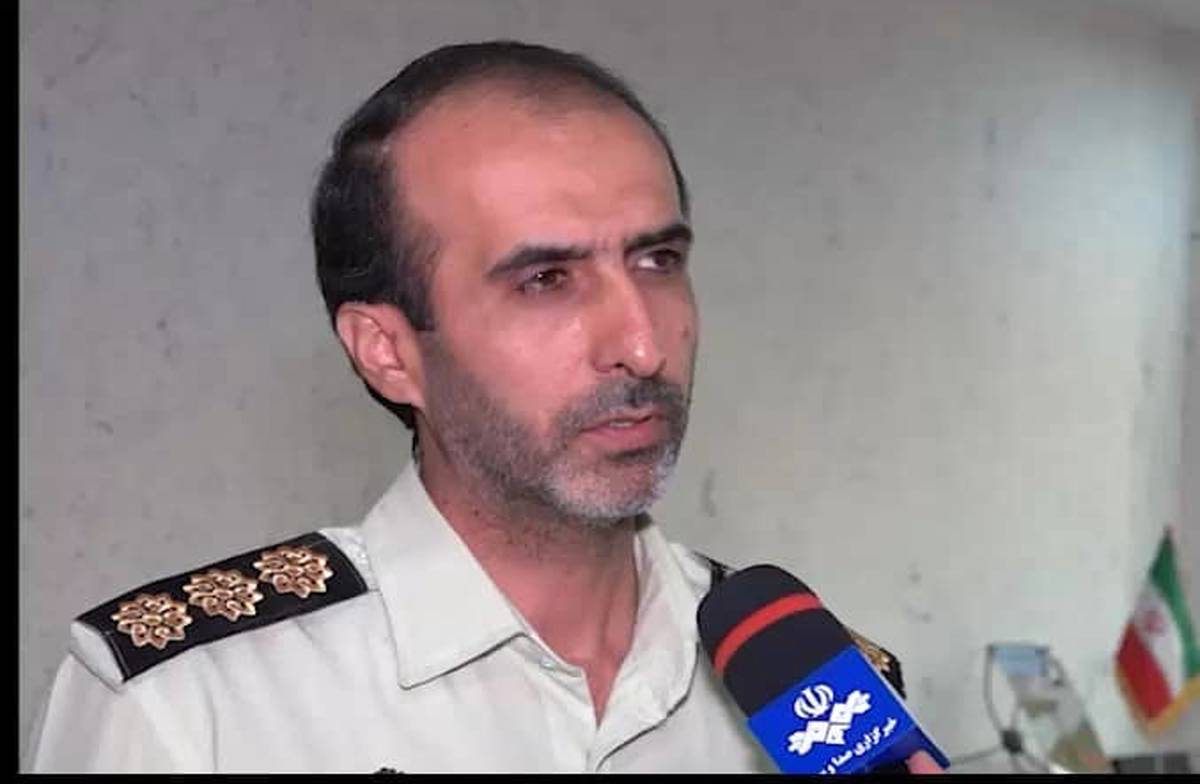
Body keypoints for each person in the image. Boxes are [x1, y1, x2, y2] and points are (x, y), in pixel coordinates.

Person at [24, 41, 941, 773]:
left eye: (657, 261)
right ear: (388, 352)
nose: (642, 344)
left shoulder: (823, 694)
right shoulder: (189, 709)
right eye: (545, 279)